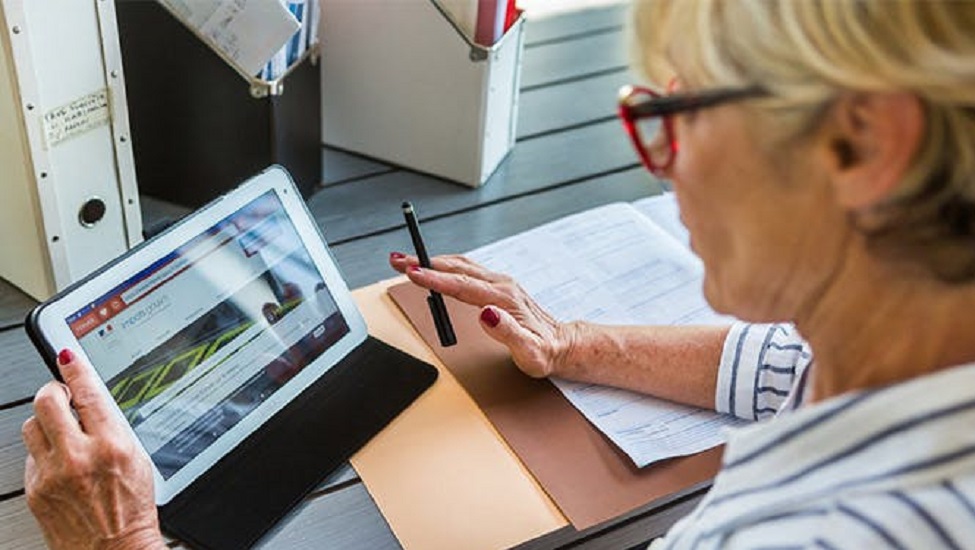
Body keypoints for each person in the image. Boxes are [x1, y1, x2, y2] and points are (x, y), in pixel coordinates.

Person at [22, 1, 975, 548]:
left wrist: (123, 542)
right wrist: (575, 342)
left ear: (864, 145)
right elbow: (784, 366)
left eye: (676, 115)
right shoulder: (910, 346)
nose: (661, 162)